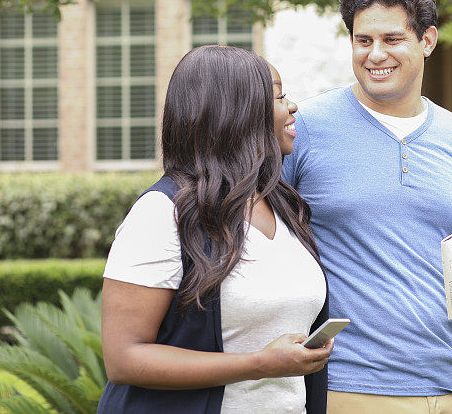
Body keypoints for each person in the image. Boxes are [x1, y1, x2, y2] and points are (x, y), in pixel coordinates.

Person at [281, 0, 452, 413]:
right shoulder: (304, 128)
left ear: (427, 40)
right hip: (348, 383)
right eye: (362, 40)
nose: (376, 55)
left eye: (392, 38)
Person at [98, 45, 332, 414]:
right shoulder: (161, 213)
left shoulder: (284, 205)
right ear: (237, 113)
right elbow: (124, 358)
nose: (293, 107)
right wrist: (260, 363)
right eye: (279, 95)